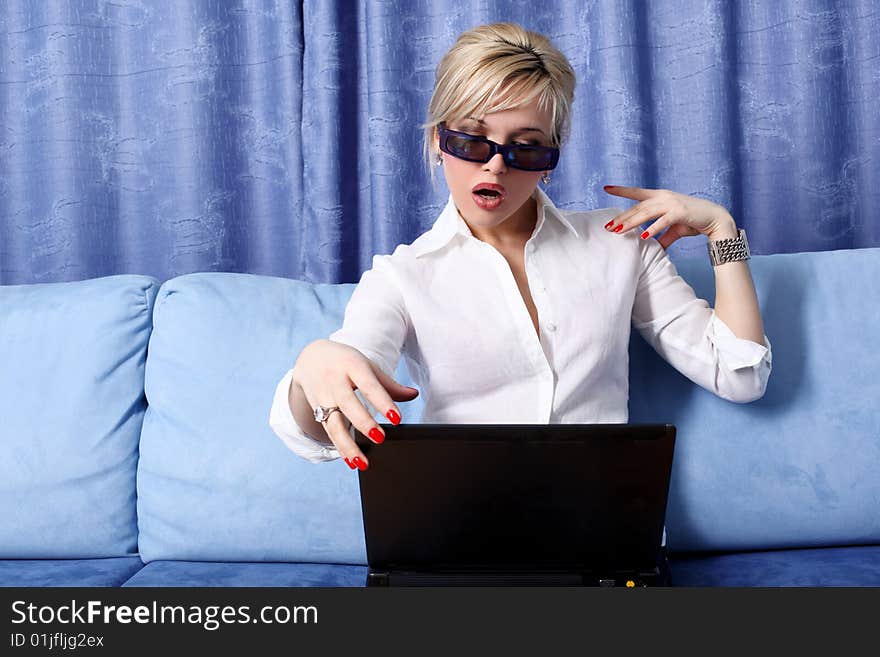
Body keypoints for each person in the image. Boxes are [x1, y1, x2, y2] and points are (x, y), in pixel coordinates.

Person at [268, 22, 772, 472]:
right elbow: (317, 426)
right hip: (458, 540)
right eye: (471, 139)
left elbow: (739, 375)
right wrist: (309, 375)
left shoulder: (620, 246)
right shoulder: (402, 276)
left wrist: (722, 232)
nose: (495, 166)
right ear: (437, 141)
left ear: (550, 160)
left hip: (600, 541)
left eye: (526, 146)